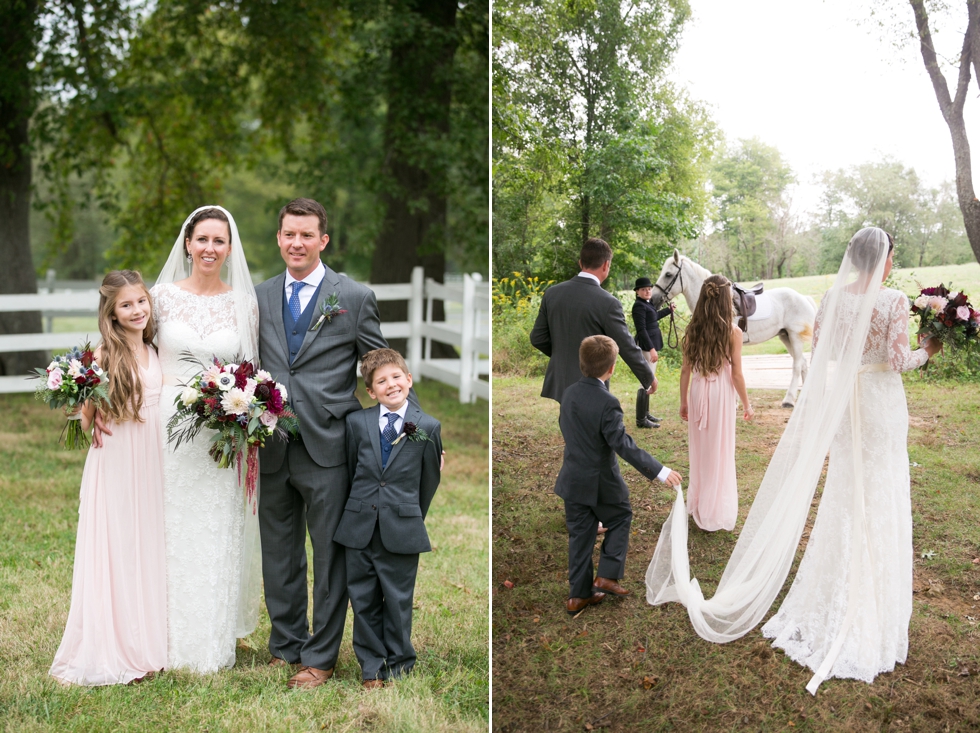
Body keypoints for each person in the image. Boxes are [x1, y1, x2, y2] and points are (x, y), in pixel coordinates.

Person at [646, 227, 940, 695]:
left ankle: (832, 588)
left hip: (846, 405)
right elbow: (898, 358)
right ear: (883, 260)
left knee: (844, 489)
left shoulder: (830, 297)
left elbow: (823, 352)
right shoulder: (893, 300)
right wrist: (928, 350)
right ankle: (872, 596)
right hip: (881, 404)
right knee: (881, 487)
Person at [255, 197, 390, 689]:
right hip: (269, 441)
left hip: (329, 444)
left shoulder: (352, 296)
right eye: (289, 234)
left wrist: (409, 425)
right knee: (278, 551)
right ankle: (285, 644)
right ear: (278, 238)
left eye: (307, 235)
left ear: (323, 240)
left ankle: (321, 656)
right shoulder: (259, 296)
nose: (297, 243)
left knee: (329, 557)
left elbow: (381, 368)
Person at [151, 205, 261, 672]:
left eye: (219, 241)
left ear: (230, 248)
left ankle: (210, 643)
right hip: (162, 429)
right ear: (187, 243)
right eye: (202, 240)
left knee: (214, 529)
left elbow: (251, 371)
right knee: (166, 528)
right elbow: (129, 356)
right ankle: (159, 637)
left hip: (220, 432)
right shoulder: (158, 298)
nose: (210, 249)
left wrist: (246, 410)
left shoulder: (244, 304)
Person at [50, 271, 168, 685]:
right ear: (112, 313)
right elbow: (83, 424)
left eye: (141, 302)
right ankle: (115, 644)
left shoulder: (156, 350)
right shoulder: (102, 355)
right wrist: (83, 405)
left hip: (154, 457)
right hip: (117, 456)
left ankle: (151, 637)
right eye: (126, 305)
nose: (137, 310)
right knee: (118, 543)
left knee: (150, 542)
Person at [333, 349, 443, 687]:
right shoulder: (357, 423)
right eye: (381, 381)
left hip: (402, 526)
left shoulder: (426, 426)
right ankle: (371, 667)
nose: (390, 384)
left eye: (396, 377)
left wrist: (409, 515)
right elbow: (352, 470)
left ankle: (399, 664)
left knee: (397, 600)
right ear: (371, 391)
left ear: (409, 380)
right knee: (363, 599)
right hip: (359, 526)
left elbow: (428, 482)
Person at [556, 335, 682, 616]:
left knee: (580, 535)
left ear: (581, 364)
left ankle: (578, 595)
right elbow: (622, 444)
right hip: (601, 481)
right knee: (621, 515)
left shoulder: (569, 393)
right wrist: (660, 471)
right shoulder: (607, 402)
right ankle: (607, 576)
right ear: (611, 368)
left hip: (572, 478)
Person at [530, 238, 655, 404]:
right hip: (591, 382)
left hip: (561, 378)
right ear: (606, 265)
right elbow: (626, 345)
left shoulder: (552, 293)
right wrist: (648, 377)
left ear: (581, 263)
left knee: (569, 423)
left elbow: (537, 338)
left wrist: (563, 355)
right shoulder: (608, 303)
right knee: (588, 428)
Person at [679, 274, 754, 532]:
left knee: (700, 450)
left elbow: (685, 371)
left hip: (698, 391)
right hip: (720, 394)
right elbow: (736, 374)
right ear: (726, 299)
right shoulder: (733, 331)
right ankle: (713, 507)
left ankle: (700, 504)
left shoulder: (692, 329)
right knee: (720, 450)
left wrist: (683, 402)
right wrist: (747, 404)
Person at [632, 276, 675, 428]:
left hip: (651, 344)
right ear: (637, 292)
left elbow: (654, 317)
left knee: (649, 379)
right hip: (646, 346)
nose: (647, 291)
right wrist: (651, 349)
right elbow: (642, 329)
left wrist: (669, 311)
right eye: (644, 289)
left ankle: (646, 413)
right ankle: (641, 420)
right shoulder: (638, 306)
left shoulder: (646, 304)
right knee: (645, 381)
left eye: (649, 289)